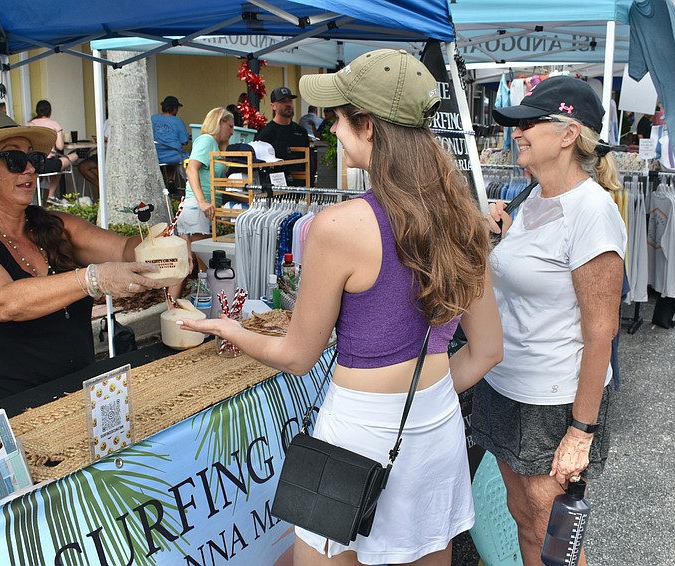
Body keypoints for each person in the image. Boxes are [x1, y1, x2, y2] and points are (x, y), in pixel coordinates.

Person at [179, 49, 503, 566]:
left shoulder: (341, 226)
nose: (331, 127)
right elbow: (486, 351)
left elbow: (297, 355)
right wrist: (423, 400)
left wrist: (231, 330)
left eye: (338, 116)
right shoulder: (465, 218)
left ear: (369, 126)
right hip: (436, 425)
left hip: (358, 432)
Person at [476, 76, 627, 566]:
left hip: (553, 401)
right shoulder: (531, 199)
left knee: (556, 538)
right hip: (504, 385)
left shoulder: (593, 211)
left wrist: (581, 432)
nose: (517, 133)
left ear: (567, 134)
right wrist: (494, 241)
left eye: (529, 123)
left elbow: (601, 330)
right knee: (522, 515)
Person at [0, 112, 183, 403]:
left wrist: (165, 245)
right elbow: (4, 302)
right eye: (15, 160)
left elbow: (122, 250)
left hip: (74, 394)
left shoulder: (57, 225)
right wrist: (93, 278)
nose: (29, 169)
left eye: (35, 160)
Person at [179, 107, 234, 271]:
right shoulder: (207, 140)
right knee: (207, 270)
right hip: (198, 209)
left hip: (199, 210)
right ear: (220, 122)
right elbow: (191, 169)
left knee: (187, 268)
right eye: (230, 126)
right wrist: (202, 202)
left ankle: (172, 298)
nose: (232, 132)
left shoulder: (215, 146)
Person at [255, 86, 310, 185]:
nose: (288, 104)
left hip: (302, 188)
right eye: (283, 101)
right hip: (277, 190)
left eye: (290, 101)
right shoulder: (265, 133)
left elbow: (309, 160)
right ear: (273, 106)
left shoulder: (301, 131)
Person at [27, 100, 67, 205]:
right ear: (50, 111)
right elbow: (60, 146)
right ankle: (51, 195)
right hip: (48, 162)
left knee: (55, 164)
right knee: (68, 159)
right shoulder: (54, 124)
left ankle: (35, 197)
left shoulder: (30, 124)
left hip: (33, 164)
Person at [152, 95, 190, 192]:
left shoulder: (153, 118)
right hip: (174, 155)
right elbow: (184, 141)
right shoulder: (178, 121)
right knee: (184, 158)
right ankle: (189, 184)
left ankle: (170, 180)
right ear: (174, 108)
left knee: (169, 158)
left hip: (156, 155)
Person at [77, 119, 109, 190]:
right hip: (102, 153)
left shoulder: (122, 121)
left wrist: (107, 139)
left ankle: (106, 191)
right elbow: (101, 136)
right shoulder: (107, 122)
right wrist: (97, 139)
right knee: (82, 166)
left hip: (111, 155)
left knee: (101, 166)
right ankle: (103, 190)